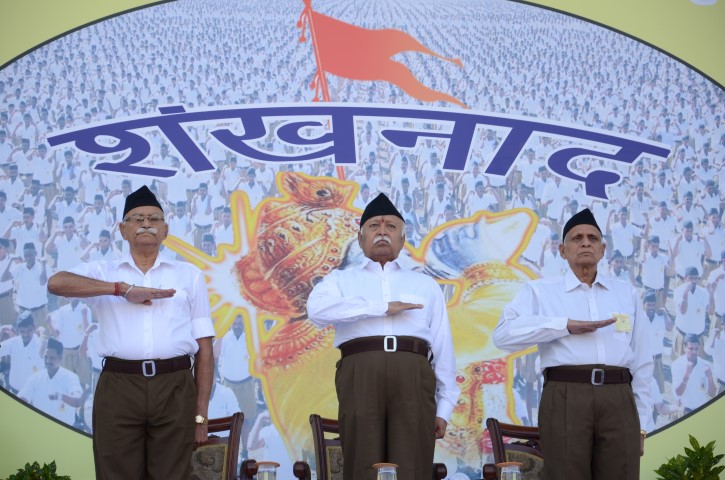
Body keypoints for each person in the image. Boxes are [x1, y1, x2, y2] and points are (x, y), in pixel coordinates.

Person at [47, 185, 215, 479]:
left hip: (175, 387)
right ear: (122, 230)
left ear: (165, 230)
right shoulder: (104, 271)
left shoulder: (189, 275)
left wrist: (200, 416)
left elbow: (205, 348)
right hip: (119, 386)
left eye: (154, 219)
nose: (146, 224)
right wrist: (121, 289)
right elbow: (56, 283)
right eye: (137, 219)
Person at [307, 193, 459, 480]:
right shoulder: (341, 280)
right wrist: (381, 307)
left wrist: (445, 407)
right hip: (360, 372)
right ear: (360, 238)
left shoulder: (424, 284)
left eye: (391, 227)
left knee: (412, 466)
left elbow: (442, 347)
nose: (382, 232)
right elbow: (316, 310)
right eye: (374, 226)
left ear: (402, 240)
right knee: (362, 463)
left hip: (413, 375)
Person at [493, 208, 653, 480]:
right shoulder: (540, 291)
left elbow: (643, 360)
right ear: (562, 250)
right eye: (577, 238)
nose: (586, 243)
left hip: (619, 397)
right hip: (566, 394)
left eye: (593, 238)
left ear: (602, 250)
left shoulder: (626, 293)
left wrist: (642, 424)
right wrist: (562, 326)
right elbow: (503, 335)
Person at [18, 337, 83, 425]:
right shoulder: (35, 378)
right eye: (46, 357)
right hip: (40, 427)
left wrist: (61, 396)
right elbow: (21, 399)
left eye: (52, 358)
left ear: (60, 358)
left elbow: (78, 401)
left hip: (63, 429)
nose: (48, 361)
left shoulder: (70, 377)